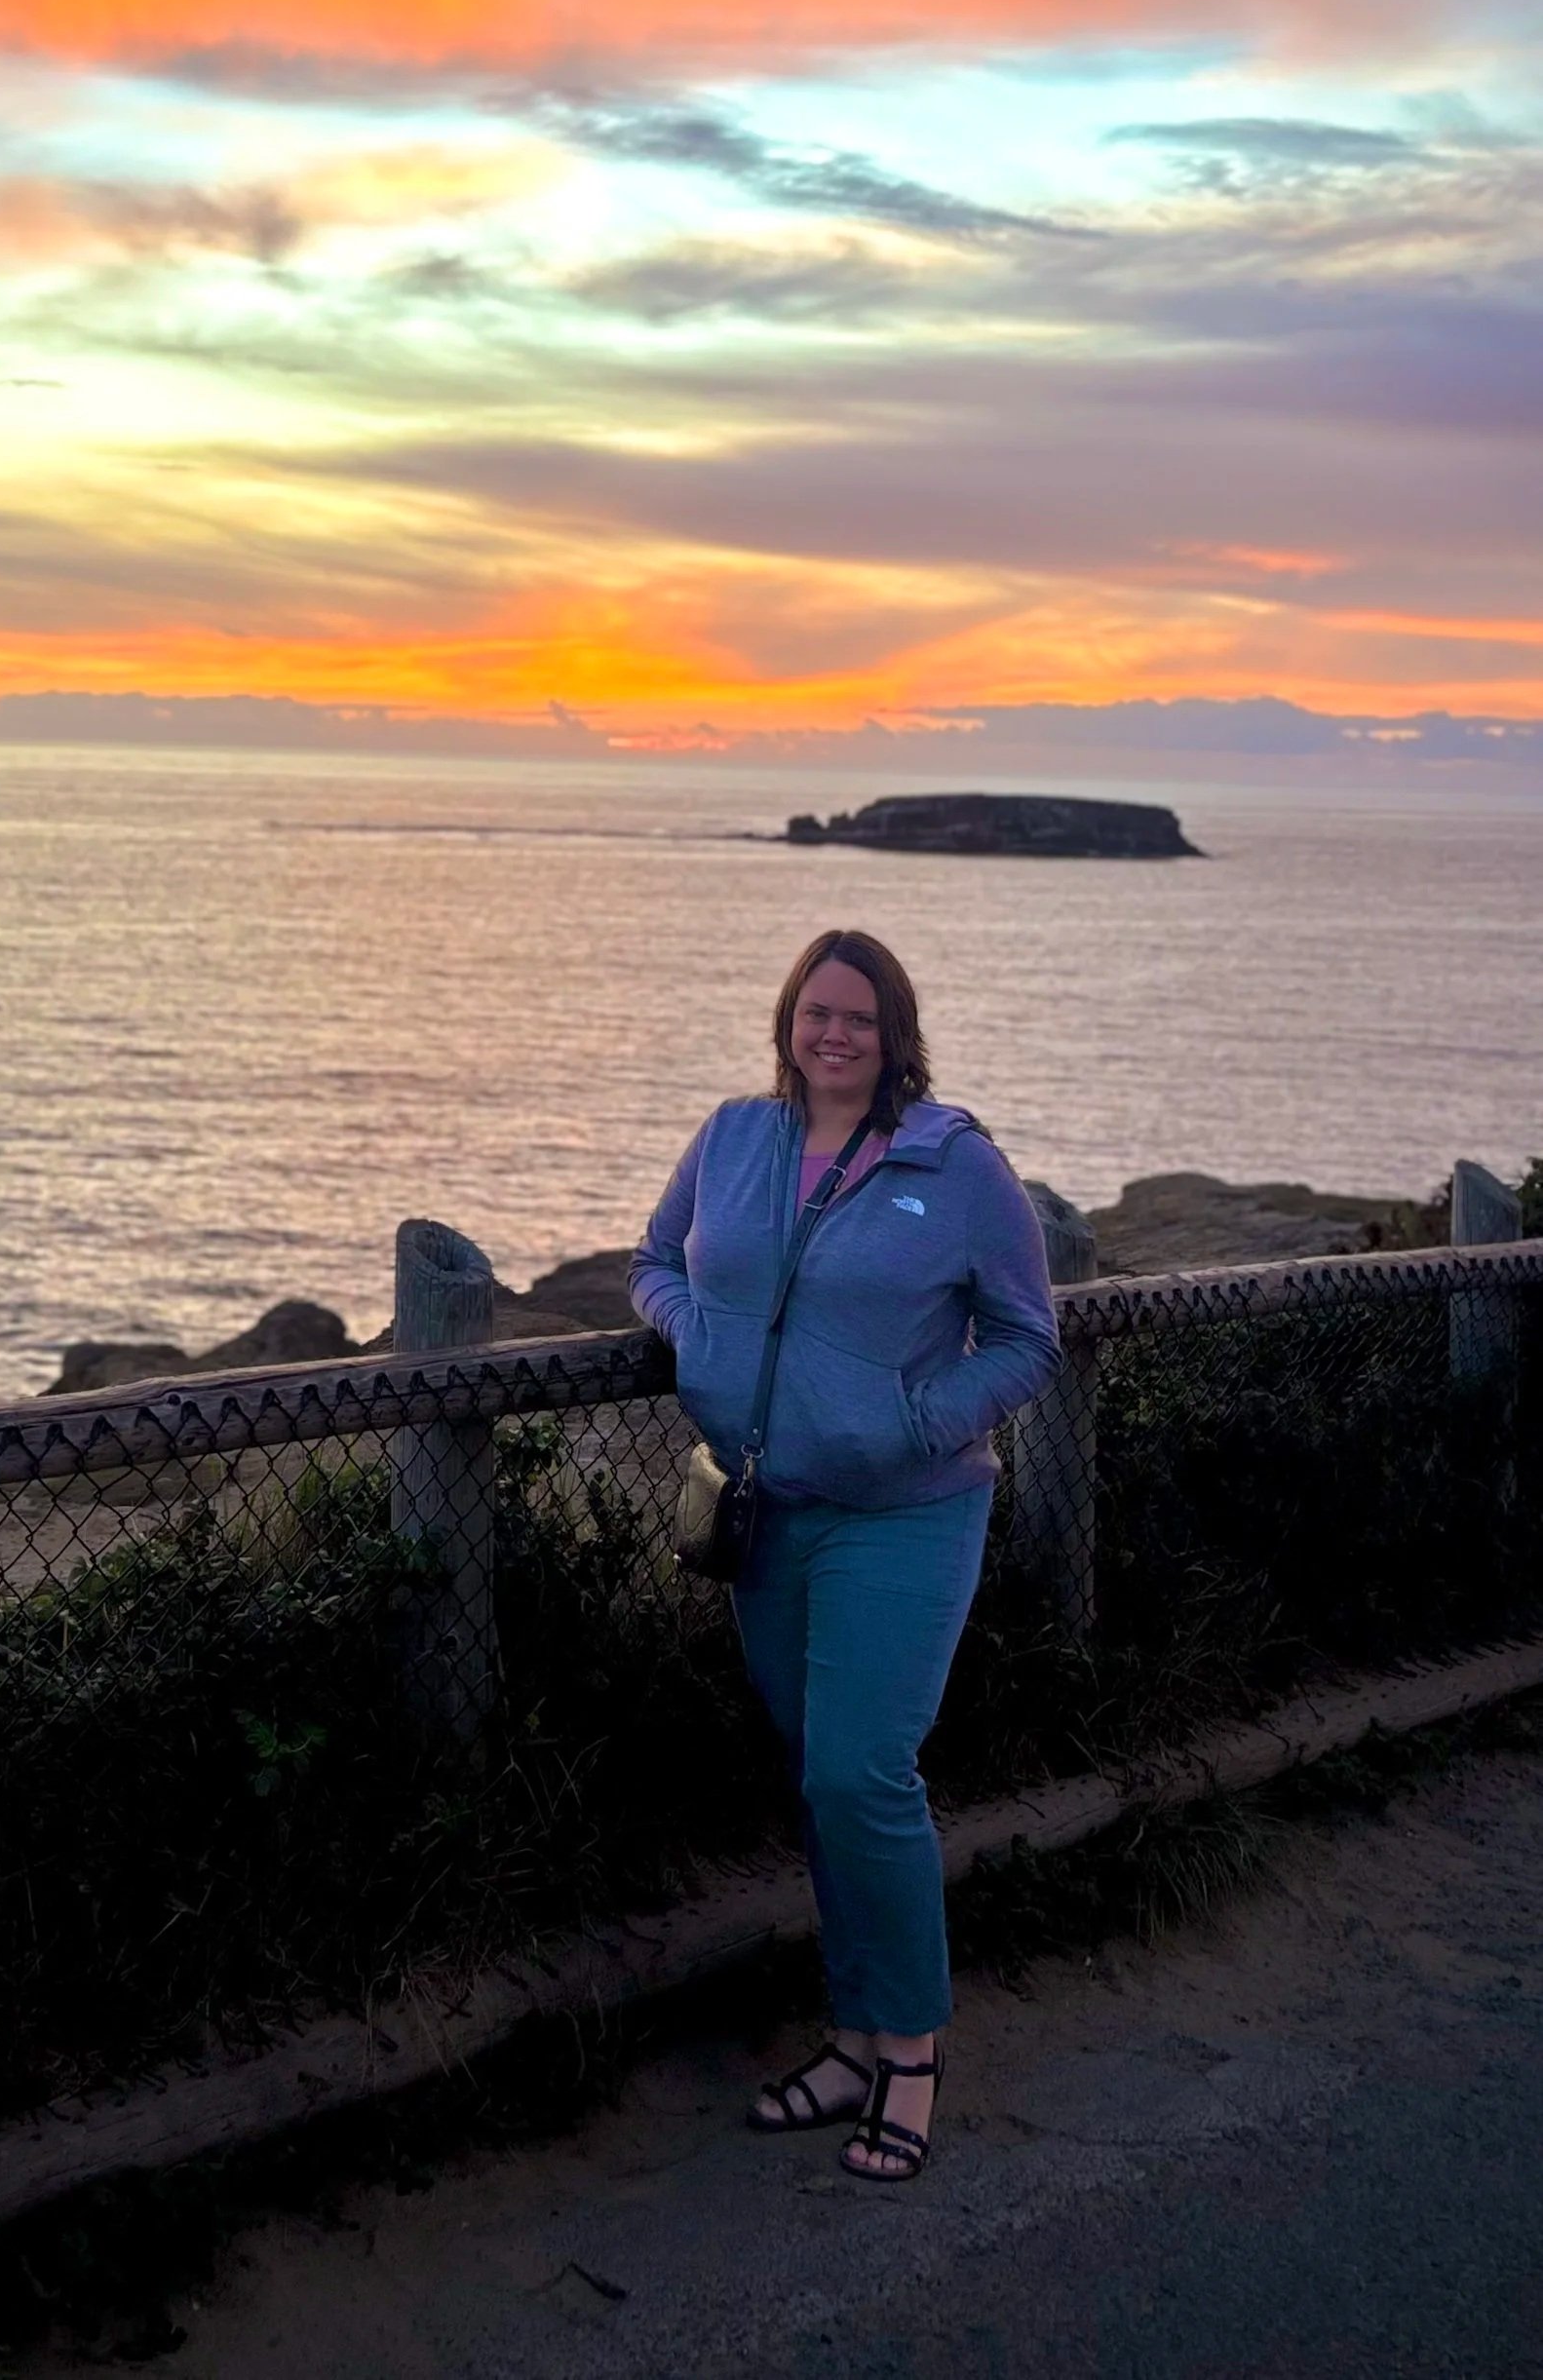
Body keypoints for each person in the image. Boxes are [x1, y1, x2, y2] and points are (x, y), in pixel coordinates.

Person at [629, 927, 1060, 2183]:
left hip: (906, 1515)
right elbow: (654, 1262)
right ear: (787, 1021)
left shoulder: (956, 1166)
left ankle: (911, 2055)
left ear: (894, 1033)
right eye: (817, 1012)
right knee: (818, 1775)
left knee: (865, 1773)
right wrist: (697, 1332)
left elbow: (1029, 1338)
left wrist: (916, 1421)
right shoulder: (731, 1137)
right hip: (772, 1514)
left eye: (859, 1018)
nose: (834, 1035)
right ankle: (853, 2034)